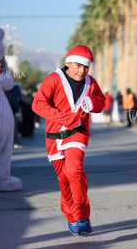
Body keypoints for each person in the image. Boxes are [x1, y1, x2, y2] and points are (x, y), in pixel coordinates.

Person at [32, 45, 105, 236]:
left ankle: (81, 215)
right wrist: (64, 118)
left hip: (77, 134)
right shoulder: (53, 79)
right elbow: (38, 104)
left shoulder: (90, 82)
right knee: (63, 180)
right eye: (79, 66)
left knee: (74, 171)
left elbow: (102, 102)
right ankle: (73, 217)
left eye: (86, 67)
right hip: (53, 138)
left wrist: (92, 103)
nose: (82, 70)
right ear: (68, 62)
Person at [5, 81, 23, 148]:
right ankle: (16, 142)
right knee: (14, 128)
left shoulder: (0, 92)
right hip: (12, 112)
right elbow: (15, 103)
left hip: (2, 113)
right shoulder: (12, 91)